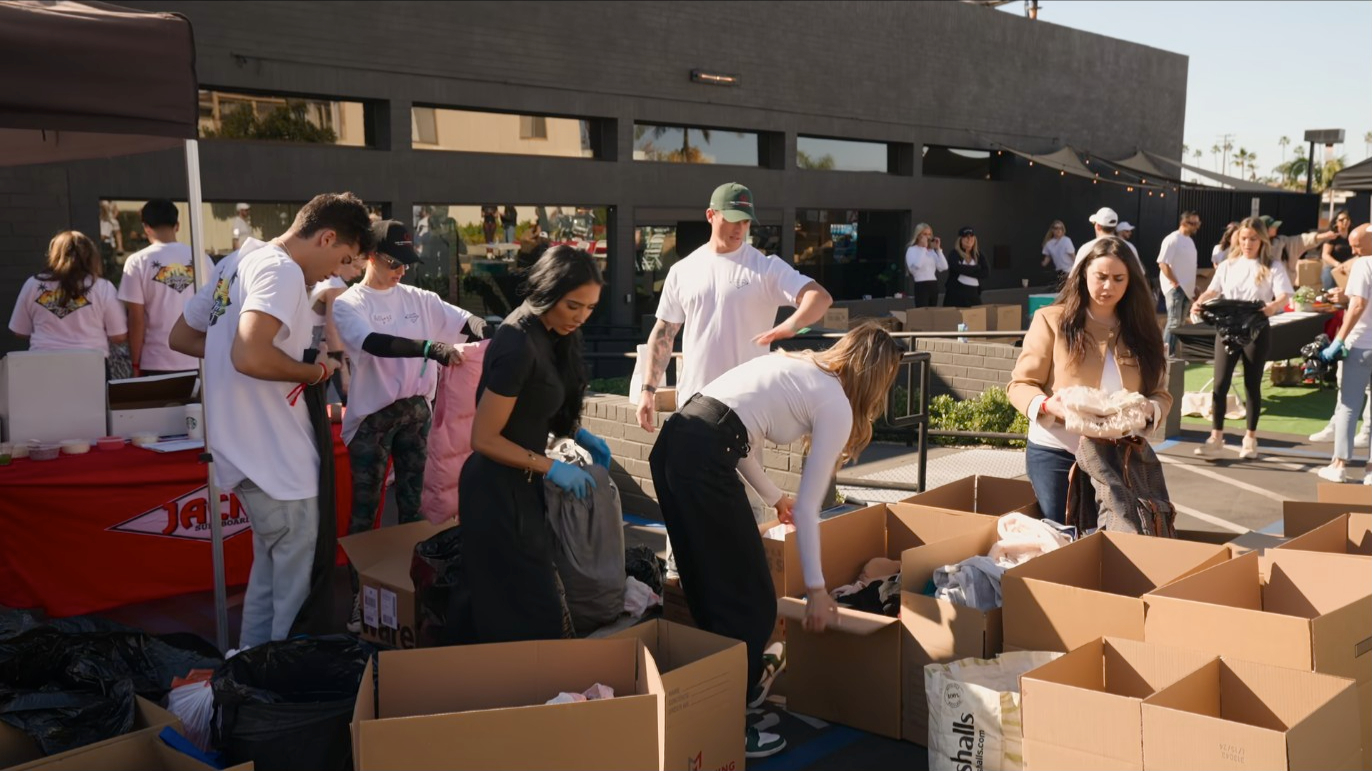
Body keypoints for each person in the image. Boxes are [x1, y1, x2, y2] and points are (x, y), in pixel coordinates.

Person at [649, 323, 902, 759]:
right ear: (878, 379)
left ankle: (727, 703)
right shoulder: (837, 405)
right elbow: (809, 509)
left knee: (709, 589)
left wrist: (773, 497)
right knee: (753, 604)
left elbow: (734, 429)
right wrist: (819, 591)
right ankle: (731, 727)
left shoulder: (798, 365)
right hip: (705, 456)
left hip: (675, 444)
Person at [170, 192, 374, 648]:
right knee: (294, 596)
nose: (337, 273)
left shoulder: (236, 263)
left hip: (247, 452)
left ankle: (250, 671)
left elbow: (184, 336)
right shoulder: (281, 271)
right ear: (325, 237)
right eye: (342, 259)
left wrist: (256, 355)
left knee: (268, 579)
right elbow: (248, 353)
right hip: (277, 457)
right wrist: (313, 370)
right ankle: (280, 690)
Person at [333, 219, 485, 633]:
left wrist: (500, 332)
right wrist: (429, 348)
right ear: (370, 256)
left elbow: (466, 321)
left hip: (417, 413)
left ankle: (411, 592)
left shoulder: (420, 298)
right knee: (366, 513)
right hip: (373, 422)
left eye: (406, 263)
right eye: (392, 262)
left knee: (417, 509)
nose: (401, 270)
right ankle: (360, 603)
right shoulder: (350, 303)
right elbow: (372, 343)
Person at [460, 246, 610, 643]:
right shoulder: (516, 341)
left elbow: (536, 403)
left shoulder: (552, 333)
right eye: (573, 306)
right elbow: (483, 438)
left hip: (522, 485)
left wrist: (576, 435)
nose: (580, 318)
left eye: (590, 308)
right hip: (494, 491)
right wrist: (550, 466)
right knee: (521, 611)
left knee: (531, 610)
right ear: (547, 291)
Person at [636, 182, 832, 432]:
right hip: (693, 403)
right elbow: (664, 332)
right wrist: (647, 391)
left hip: (746, 406)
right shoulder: (683, 270)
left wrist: (790, 326)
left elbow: (820, 298)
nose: (740, 228)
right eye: (732, 219)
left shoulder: (766, 267)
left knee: (736, 472)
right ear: (711, 215)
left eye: (745, 221)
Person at [1008, 238, 1170, 523]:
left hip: (1120, 454)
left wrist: (1149, 409)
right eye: (1101, 277)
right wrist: (1047, 406)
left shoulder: (1144, 329)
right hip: (1057, 451)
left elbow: (1160, 393)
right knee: (1062, 535)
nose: (1109, 286)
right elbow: (1020, 385)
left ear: (1131, 281)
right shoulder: (1051, 320)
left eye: (1118, 279)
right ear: (1083, 275)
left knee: (1117, 536)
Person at [1191, 217, 1293, 461]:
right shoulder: (1228, 264)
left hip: (1256, 325)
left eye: (1253, 239)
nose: (1248, 243)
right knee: (1220, 382)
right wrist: (1199, 301)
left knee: (1252, 384)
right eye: (1244, 238)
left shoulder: (1272, 265)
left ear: (1262, 240)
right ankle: (1216, 437)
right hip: (1227, 324)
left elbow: (1284, 296)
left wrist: (1272, 307)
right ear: (1238, 239)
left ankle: (1250, 437)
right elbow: (1213, 290)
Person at [117, 200, 207, 377]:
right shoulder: (201, 258)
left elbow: (137, 318)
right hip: (198, 357)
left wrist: (135, 363)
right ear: (178, 226)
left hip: (155, 360)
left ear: (146, 227)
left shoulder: (137, 262)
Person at [9, 231, 127, 363]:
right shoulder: (103, 287)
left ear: (54, 254)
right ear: (91, 256)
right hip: (90, 364)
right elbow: (118, 335)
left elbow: (19, 330)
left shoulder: (33, 284)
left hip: (42, 364)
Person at [1315, 223, 1372, 484]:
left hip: (1360, 344)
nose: (1353, 249)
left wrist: (1339, 339)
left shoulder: (1363, 265)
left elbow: (1359, 304)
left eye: (1357, 244)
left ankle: (1339, 464)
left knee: (1349, 404)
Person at [308, 243, 364, 402]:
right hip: (314, 352)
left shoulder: (326, 281)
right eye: (354, 266)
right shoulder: (336, 286)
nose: (358, 273)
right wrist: (344, 373)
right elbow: (332, 333)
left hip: (311, 349)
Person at [1157, 211, 1202, 356]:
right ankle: (1164, 355)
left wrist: (1192, 286)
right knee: (1174, 322)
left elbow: (1187, 266)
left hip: (1185, 288)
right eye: (1193, 223)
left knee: (1180, 324)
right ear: (1184, 223)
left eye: (1198, 223)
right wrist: (1174, 282)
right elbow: (1163, 263)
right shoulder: (1172, 239)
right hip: (1175, 288)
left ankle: (1171, 355)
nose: (1197, 227)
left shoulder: (1189, 241)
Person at [1263, 215, 1337, 285]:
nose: (1276, 228)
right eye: (1273, 226)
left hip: (1283, 286)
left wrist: (1325, 236)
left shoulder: (1282, 241)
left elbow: (1301, 240)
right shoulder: (1256, 245)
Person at [1075, 207, 1142, 271]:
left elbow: (1073, 277)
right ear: (1115, 227)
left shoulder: (1086, 248)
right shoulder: (1129, 247)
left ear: (1097, 226)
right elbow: (1140, 273)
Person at [943, 226, 988, 308]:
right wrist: (976, 268)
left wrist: (965, 270)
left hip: (973, 293)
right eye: (966, 237)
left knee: (976, 316)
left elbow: (986, 272)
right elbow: (956, 268)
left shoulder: (979, 254)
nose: (969, 239)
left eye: (971, 236)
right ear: (960, 239)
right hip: (956, 293)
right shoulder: (954, 253)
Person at [904, 222, 946, 307]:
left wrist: (938, 250)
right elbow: (916, 266)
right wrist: (923, 248)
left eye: (929, 234)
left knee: (932, 312)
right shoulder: (912, 250)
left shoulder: (931, 251)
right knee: (922, 312)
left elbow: (943, 267)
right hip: (921, 285)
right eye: (925, 234)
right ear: (919, 235)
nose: (928, 237)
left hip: (933, 284)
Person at [1320, 209, 1354, 290]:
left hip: (1348, 268)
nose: (1345, 221)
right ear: (1336, 222)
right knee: (1327, 273)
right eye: (1341, 220)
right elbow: (1325, 255)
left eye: (1347, 219)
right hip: (1332, 267)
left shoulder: (1352, 236)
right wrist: (1337, 264)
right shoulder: (1332, 236)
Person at [1040, 219, 1075, 285]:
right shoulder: (1049, 243)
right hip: (1059, 271)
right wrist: (1044, 263)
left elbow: (1072, 255)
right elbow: (1048, 256)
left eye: (1060, 228)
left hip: (1069, 270)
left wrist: (1076, 267)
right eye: (1056, 228)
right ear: (1052, 230)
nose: (1058, 230)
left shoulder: (1066, 240)